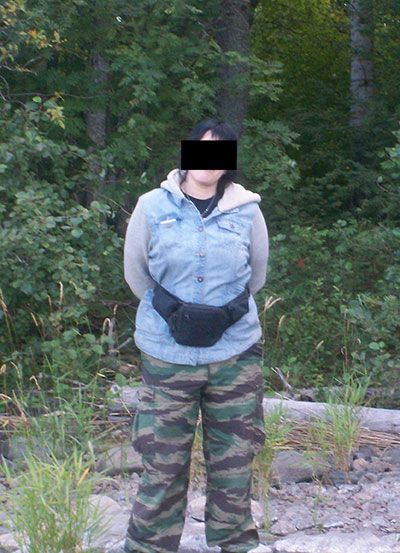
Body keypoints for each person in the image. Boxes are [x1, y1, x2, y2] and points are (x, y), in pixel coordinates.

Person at [123, 118, 269, 553]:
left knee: (235, 458)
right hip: (167, 355)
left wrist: (217, 315)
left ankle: (236, 541)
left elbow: (256, 276)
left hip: (234, 354)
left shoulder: (248, 210)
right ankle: (149, 545)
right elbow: (137, 275)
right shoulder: (151, 206)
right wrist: (179, 315)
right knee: (162, 460)